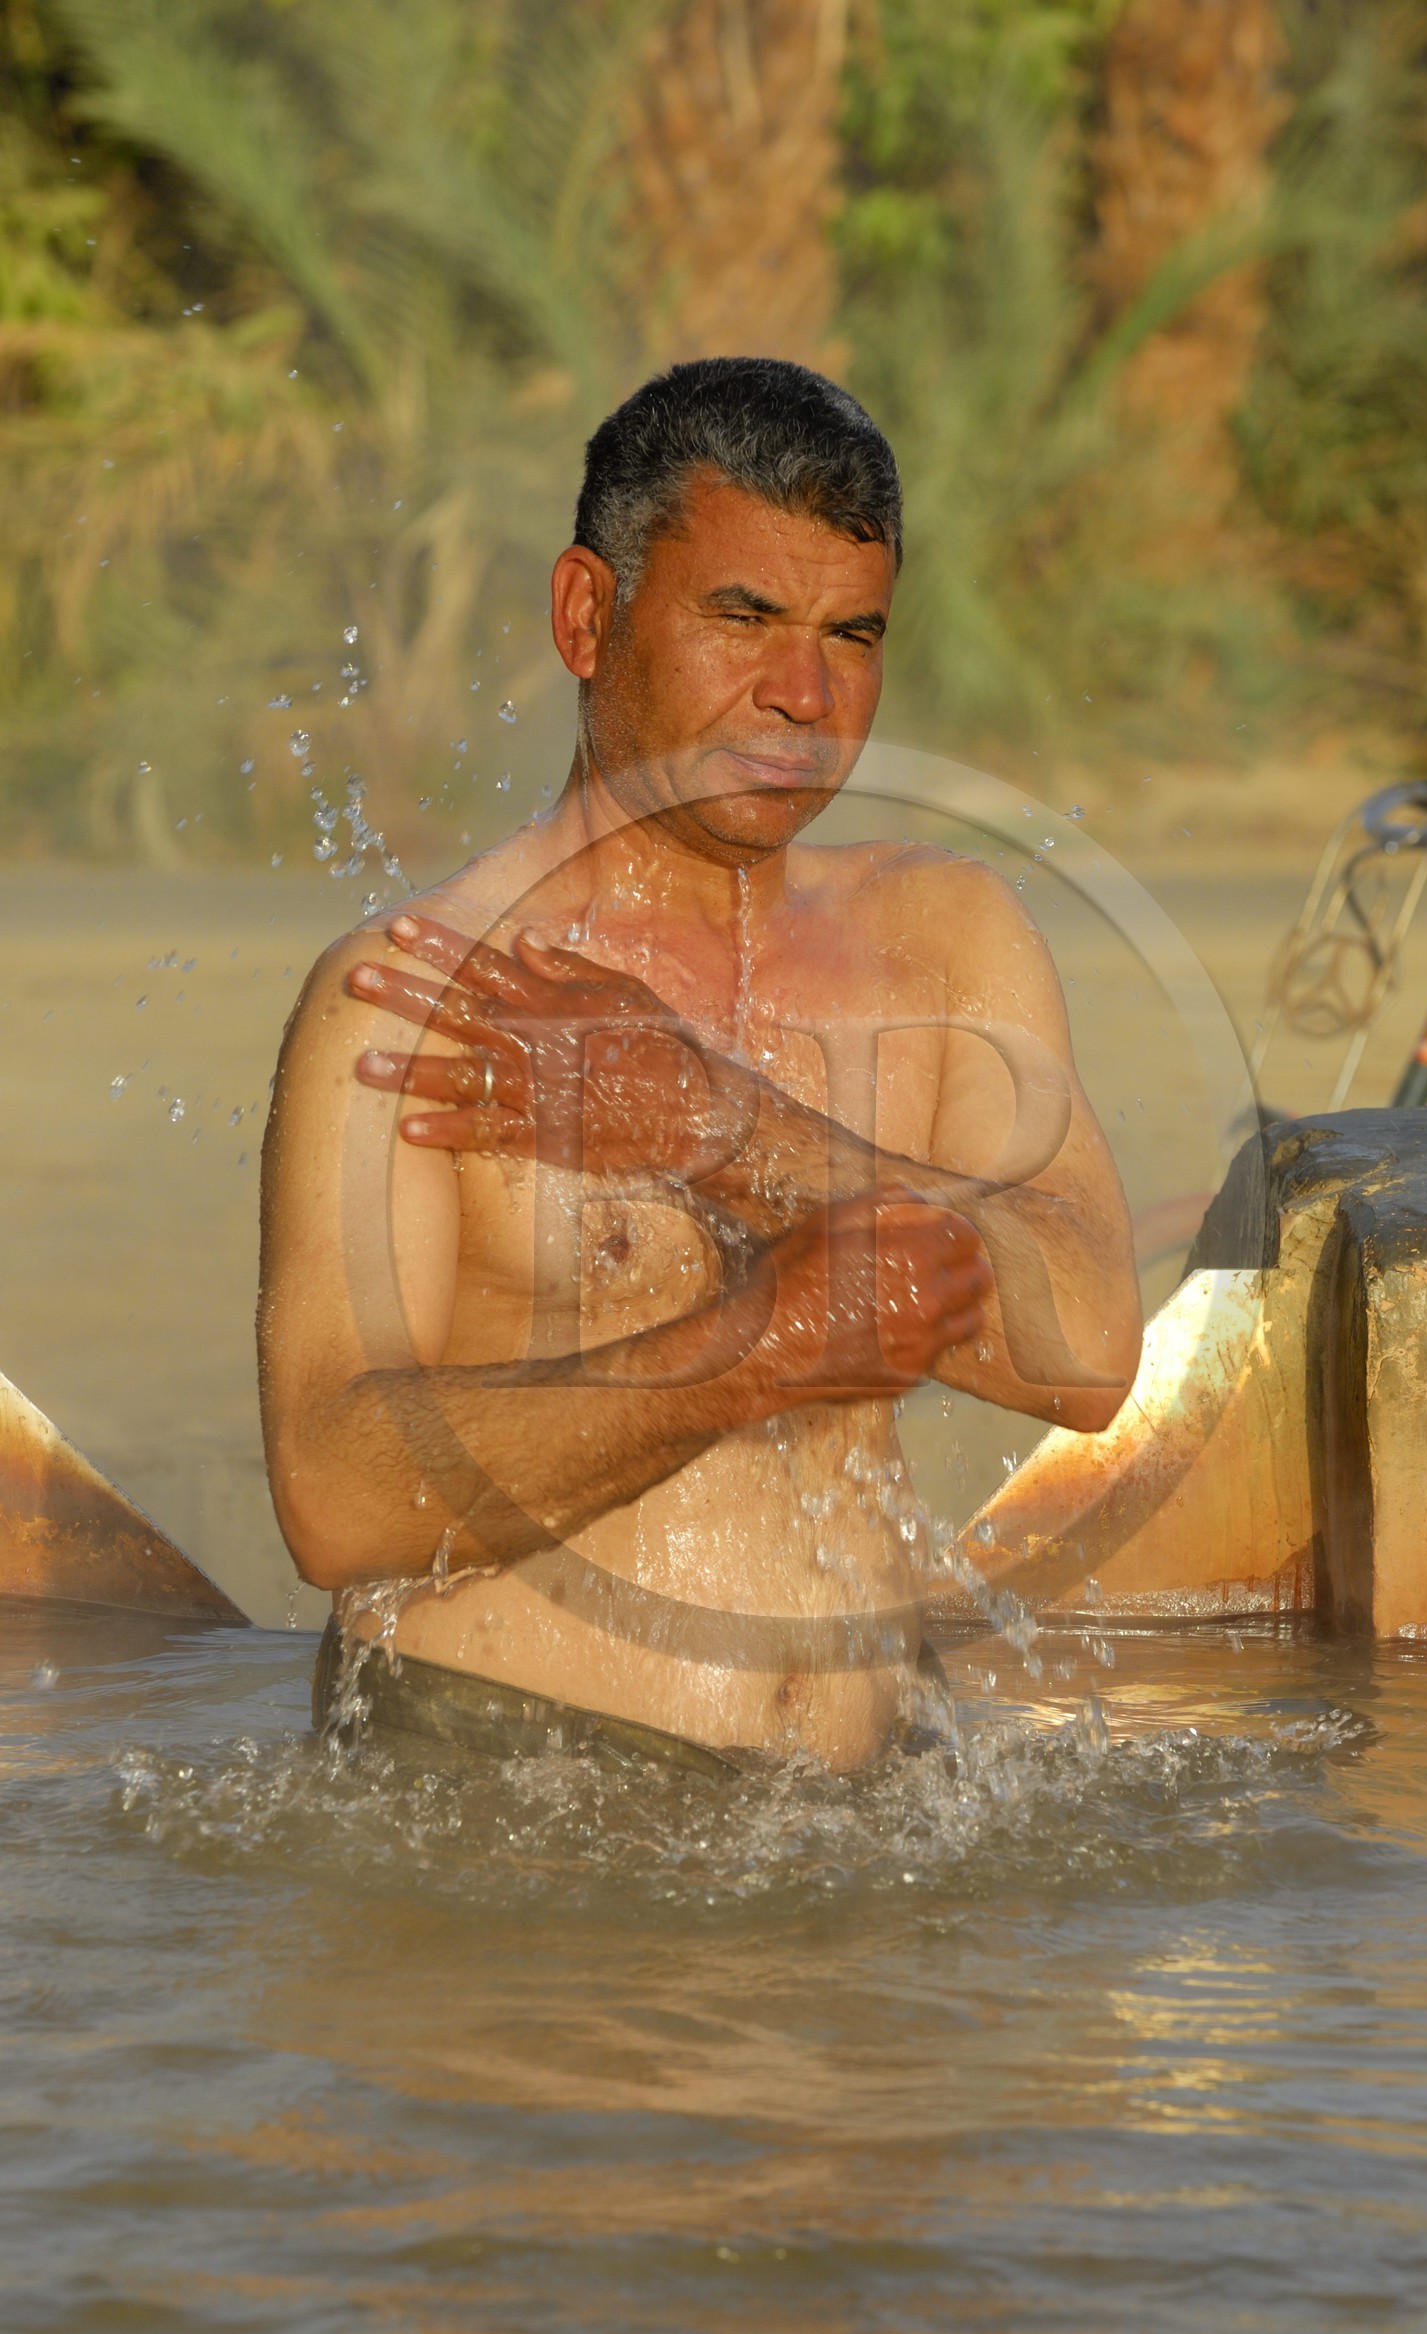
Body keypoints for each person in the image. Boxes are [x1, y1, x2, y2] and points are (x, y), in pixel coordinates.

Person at [258, 357, 1141, 1772]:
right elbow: (332, 1493)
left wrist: (732, 1130)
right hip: (515, 1806)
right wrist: (751, 1352)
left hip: (875, 1811)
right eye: (744, 617)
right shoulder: (423, 998)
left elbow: (1088, 1348)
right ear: (586, 614)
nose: (804, 693)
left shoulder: (947, 936)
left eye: (853, 635)